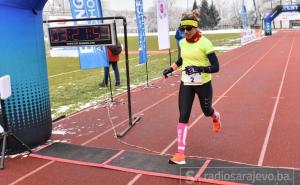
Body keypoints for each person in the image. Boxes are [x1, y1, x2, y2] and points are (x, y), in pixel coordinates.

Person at [163, 10, 221, 165]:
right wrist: (171, 68)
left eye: (189, 28)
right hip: (186, 83)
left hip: (203, 84)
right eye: (183, 29)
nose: (186, 32)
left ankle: (215, 116)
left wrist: (199, 69)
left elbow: (216, 67)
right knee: (183, 115)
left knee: (206, 111)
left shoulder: (205, 43)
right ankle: (180, 153)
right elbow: (182, 59)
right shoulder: (182, 43)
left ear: (196, 28)